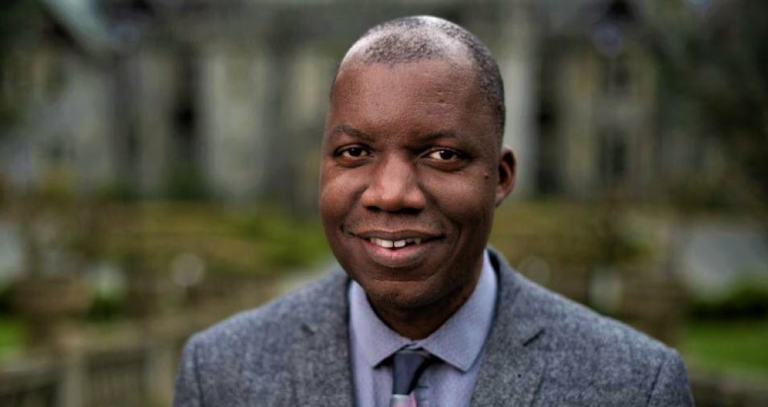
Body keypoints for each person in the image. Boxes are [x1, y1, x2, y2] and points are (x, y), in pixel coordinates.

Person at [173, 16, 694, 407]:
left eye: (442, 155)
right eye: (354, 153)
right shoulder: (219, 373)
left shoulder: (635, 387)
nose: (392, 193)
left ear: (502, 178)